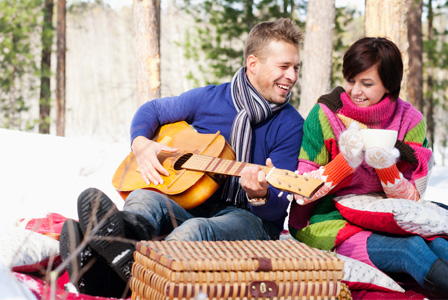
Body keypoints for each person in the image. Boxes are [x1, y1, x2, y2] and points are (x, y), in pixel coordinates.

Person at [59, 18, 305, 297]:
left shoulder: (291, 124)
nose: (293, 76)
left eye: (296, 68)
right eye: (284, 67)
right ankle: (118, 248)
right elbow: (152, 111)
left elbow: (276, 210)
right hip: (191, 201)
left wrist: (260, 195)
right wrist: (141, 144)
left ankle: (106, 272)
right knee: (144, 197)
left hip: (249, 220)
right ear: (253, 64)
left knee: (195, 229)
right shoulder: (209, 98)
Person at [288, 37, 448, 299]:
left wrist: (386, 167)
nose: (354, 91)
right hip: (327, 220)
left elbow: (414, 198)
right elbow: (301, 192)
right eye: (351, 80)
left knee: (439, 243)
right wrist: (345, 163)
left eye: (367, 83)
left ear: (389, 84)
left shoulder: (410, 120)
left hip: (385, 218)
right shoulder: (325, 115)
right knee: (410, 250)